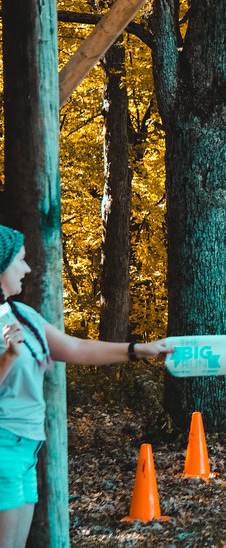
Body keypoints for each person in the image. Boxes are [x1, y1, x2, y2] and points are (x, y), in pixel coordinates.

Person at [0, 225, 173, 548]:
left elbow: (76, 348)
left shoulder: (22, 315)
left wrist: (139, 350)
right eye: (19, 260)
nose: (27, 269)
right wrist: (9, 356)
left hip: (28, 446)